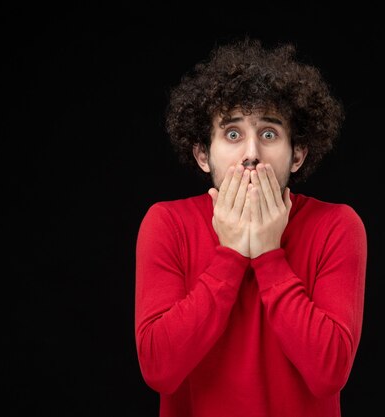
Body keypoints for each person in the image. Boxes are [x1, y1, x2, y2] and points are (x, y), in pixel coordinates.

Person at [134, 38, 367, 417]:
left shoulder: (337, 226)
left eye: (270, 134)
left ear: (298, 155)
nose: (252, 153)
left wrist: (269, 254)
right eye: (232, 133)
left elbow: (329, 374)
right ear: (202, 155)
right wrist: (229, 254)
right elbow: (159, 369)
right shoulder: (167, 224)